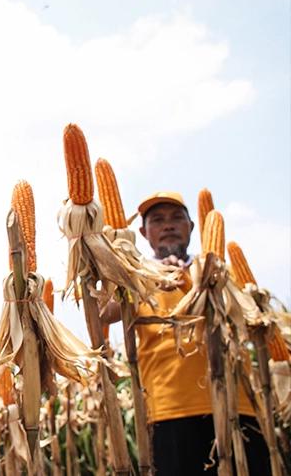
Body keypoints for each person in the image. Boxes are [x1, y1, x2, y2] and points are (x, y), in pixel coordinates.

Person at [101, 191, 270, 475]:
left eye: (177, 218)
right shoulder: (137, 278)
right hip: (170, 413)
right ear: (143, 233)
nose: (168, 225)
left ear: (192, 227)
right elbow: (105, 313)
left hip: (237, 409)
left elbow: (255, 320)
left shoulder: (220, 274)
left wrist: (209, 282)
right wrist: (149, 279)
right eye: (158, 220)